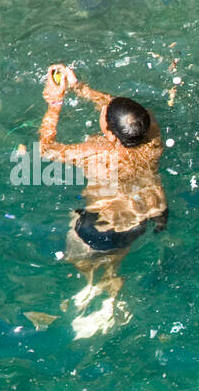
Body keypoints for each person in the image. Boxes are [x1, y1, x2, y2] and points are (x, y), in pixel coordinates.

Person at [38, 65, 167, 322]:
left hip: (97, 229)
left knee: (81, 262)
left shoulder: (96, 153)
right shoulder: (151, 133)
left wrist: (55, 103)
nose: (104, 107)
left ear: (109, 134)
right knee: (114, 259)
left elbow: (46, 149)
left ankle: (88, 290)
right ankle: (111, 296)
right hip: (138, 220)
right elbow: (115, 107)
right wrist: (78, 87)